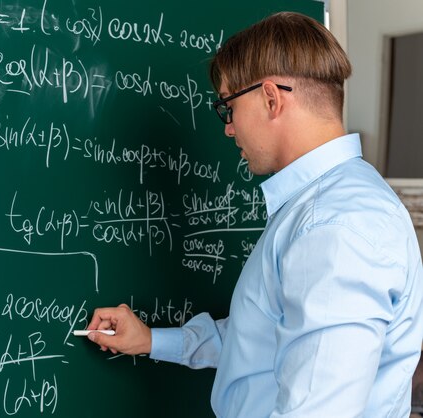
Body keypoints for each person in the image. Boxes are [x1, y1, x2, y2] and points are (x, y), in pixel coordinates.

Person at [86, 11, 423, 418]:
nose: (228, 129)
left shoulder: (333, 225)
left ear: (270, 98)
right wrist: (151, 340)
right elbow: (265, 338)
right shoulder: (324, 207)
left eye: (228, 106)